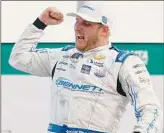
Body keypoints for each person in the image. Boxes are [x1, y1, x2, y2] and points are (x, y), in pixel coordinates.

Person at [9, 1, 161, 133]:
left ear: (104, 31)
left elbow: (150, 109)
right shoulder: (62, 56)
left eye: (86, 24)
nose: (77, 27)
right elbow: (18, 58)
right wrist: (41, 22)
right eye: (77, 21)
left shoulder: (123, 63)